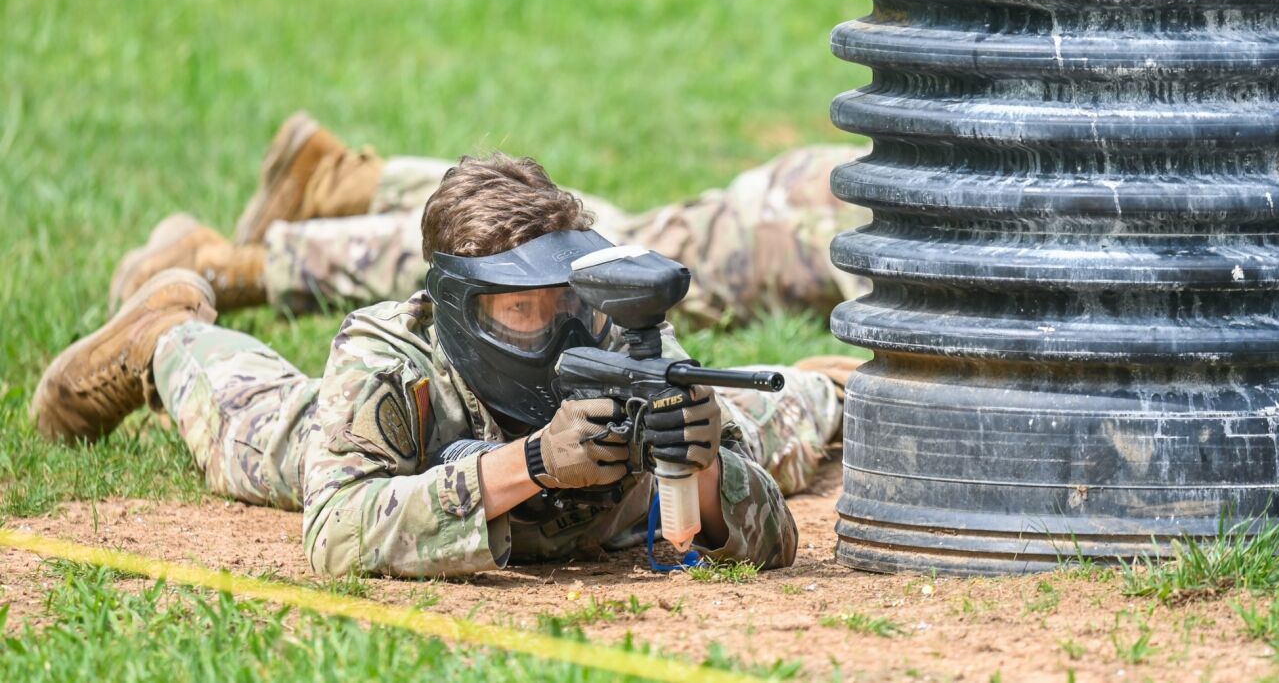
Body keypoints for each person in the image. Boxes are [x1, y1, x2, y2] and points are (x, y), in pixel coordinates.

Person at [31, 149, 862, 578]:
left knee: (755, 424)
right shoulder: (391, 354)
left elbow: (767, 532)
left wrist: (705, 468)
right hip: (402, 451)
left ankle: (827, 382)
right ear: (461, 306)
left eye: (560, 297)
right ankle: (166, 334)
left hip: (585, 498)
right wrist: (531, 464)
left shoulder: (619, 335)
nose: (551, 326)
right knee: (255, 428)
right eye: (519, 307)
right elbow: (335, 533)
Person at [104, 112, 870, 326]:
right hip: (798, 228)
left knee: (583, 238)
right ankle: (229, 267)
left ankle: (344, 183)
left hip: (815, 190)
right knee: (540, 267)